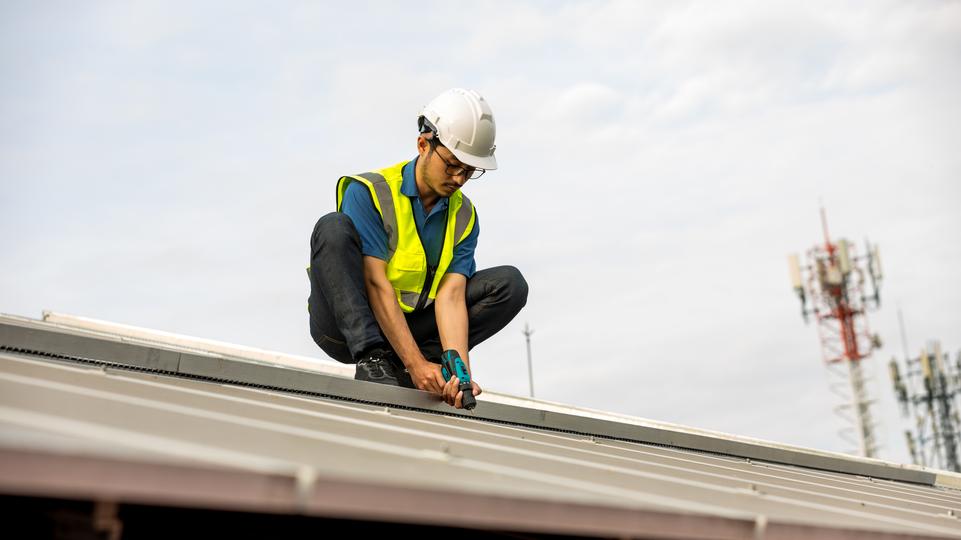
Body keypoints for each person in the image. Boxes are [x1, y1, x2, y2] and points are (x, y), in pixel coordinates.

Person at [307, 88, 528, 409]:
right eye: (452, 165)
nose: (460, 178)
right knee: (332, 226)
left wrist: (458, 375)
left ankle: (430, 368)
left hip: (408, 326)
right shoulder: (369, 192)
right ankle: (376, 361)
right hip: (346, 329)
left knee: (509, 284)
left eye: (470, 171)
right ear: (424, 144)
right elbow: (375, 283)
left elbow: (451, 297)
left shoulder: (463, 214)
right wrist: (413, 363)